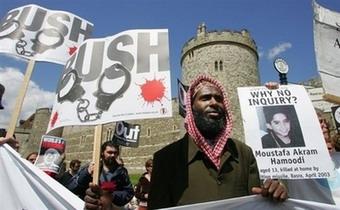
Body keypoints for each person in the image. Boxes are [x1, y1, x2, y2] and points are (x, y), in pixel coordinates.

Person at [147, 75, 287, 209]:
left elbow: (255, 202)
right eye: (205, 98)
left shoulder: (243, 153)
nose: (214, 103)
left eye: (219, 99)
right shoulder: (166, 159)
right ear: (191, 107)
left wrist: (272, 194)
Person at [69, 141, 134, 209]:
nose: (113, 155)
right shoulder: (91, 167)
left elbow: (129, 192)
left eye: (115, 153)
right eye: (109, 152)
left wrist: (112, 196)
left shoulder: (121, 171)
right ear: (102, 153)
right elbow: (74, 186)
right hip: (91, 206)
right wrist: (87, 173)